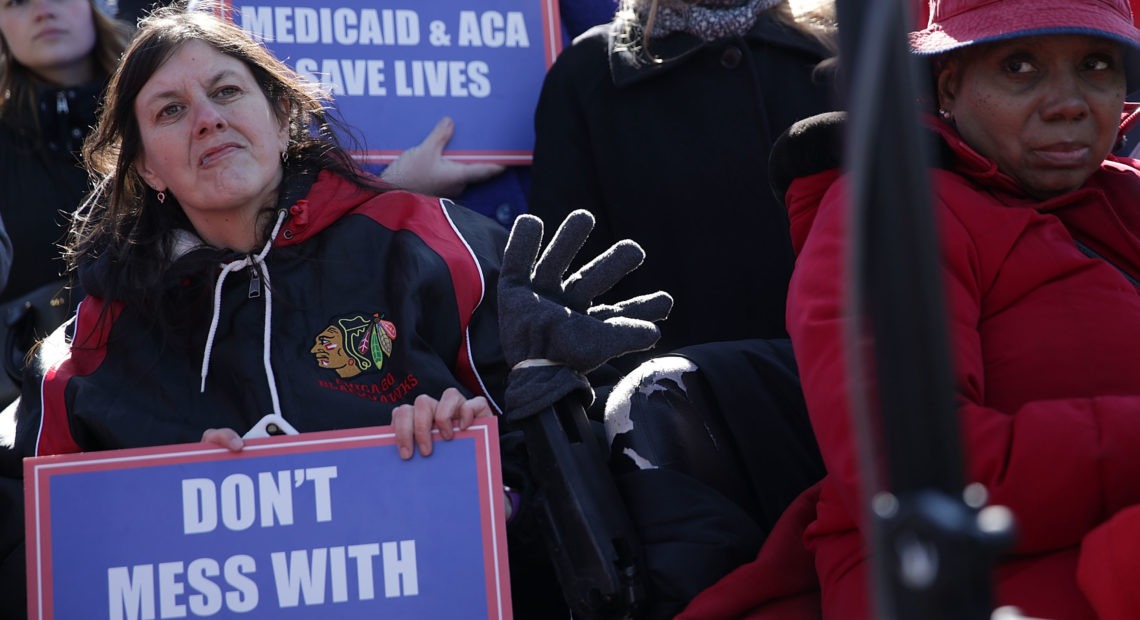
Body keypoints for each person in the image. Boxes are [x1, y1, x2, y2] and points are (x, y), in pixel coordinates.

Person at [0, 3, 671, 618]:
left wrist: (500, 487)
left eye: (228, 91)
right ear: (146, 166)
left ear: (283, 116)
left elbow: (574, 509)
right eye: (169, 110)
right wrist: (160, 511)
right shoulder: (81, 355)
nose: (206, 117)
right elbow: (48, 570)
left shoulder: (433, 246)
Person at [679, 0, 1140, 617]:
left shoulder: (1122, 201)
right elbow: (915, 468)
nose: (1069, 102)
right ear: (951, 84)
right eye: (1020, 66)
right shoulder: (892, 215)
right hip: (963, 583)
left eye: (1096, 65)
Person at [528, 0, 840, 371]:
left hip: (844, 400)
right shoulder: (587, 74)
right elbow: (570, 300)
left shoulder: (842, 57)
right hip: (666, 415)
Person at [0, 0, 131, 405]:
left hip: (167, 383)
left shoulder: (170, 113)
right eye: (16, 2)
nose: (43, 10)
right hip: (27, 402)